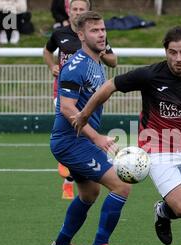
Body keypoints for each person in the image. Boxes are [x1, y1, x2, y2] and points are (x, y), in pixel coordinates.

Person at [72, 26, 181, 245]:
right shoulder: (151, 75)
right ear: (166, 51)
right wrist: (85, 114)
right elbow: (110, 85)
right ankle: (164, 211)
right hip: (157, 148)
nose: (178, 59)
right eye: (173, 52)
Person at [47, 10, 130, 245]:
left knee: (89, 193)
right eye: (95, 30)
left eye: (103, 29)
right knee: (122, 185)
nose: (101, 34)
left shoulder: (96, 62)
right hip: (71, 142)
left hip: (78, 140)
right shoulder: (76, 66)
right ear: (81, 35)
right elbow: (67, 108)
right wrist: (97, 138)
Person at [43, 0, 117, 200]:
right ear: (69, 11)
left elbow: (113, 61)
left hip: (86, 95)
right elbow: (47, 51)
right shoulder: (60, 34)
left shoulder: (95, 38)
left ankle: (71, 165)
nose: (76, 12)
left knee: (91, 193)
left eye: (81, 9)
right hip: (65, 93)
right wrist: (52, 67)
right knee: (67, 127)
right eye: (73, 9)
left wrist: (100, 52)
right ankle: (67, 171)